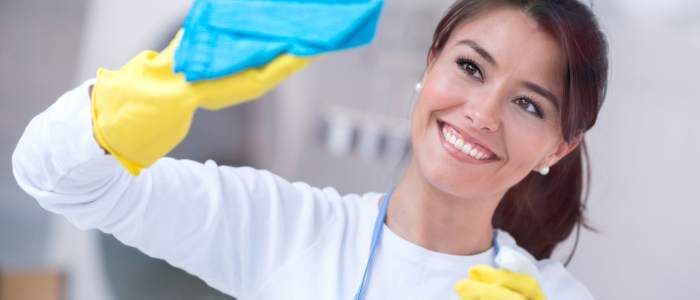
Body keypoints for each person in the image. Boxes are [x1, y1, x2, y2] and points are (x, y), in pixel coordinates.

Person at [12, 0, 608, 299]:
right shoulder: (284, 228)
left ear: (560, 145)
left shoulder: (546, 296)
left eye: (528, 104)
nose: (482, 112)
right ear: (429, 68)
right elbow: (54, 176)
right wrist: (169, 81)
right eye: (471, 67)